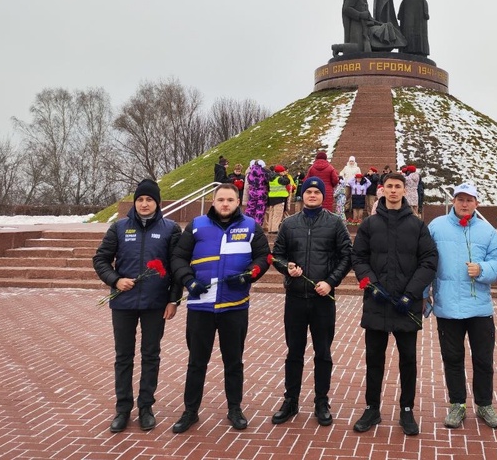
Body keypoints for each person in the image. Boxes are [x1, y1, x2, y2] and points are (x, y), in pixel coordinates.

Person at [169, 183, 271, 434]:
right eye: (220, 199)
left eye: (230, 200)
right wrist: (189, 280)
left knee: (234, 362)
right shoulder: (196, 225)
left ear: (238, 202)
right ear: (213, 201)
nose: (225, 204)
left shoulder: (250, 226)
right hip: (201, 306)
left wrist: (250, 275)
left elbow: (263, 257)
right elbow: (178, 258)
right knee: (196, 362)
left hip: (234, 307)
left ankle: (234, 408)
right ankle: (190, 411)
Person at [351, 172, 438, 436]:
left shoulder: (417, 225)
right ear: (382, 190)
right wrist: (372, 284)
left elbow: (429, 260)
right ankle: (372, 408)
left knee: (408, 360)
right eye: (389, 186)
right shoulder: (370, 224)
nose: (393, 191)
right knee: (374, 358)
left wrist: (411, 294)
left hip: (405, 304)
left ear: (404, 191)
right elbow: (359, 257)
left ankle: (407, 410)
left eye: (397, 187)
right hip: (377, 301)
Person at [92, 179, 182, 433]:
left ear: (157, 203)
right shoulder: (119, 228)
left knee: (151, 356)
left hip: (155, 304)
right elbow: (100, 259)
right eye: (140, 199)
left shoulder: (170, 229)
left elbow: (177, 268)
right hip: (123, 304)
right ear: (135, 202)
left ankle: (146, 407)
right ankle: (122, 409)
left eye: (149, 200)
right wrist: (115, 280)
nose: (144, 204)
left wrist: (173, 299)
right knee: (123, 357)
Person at [270, 177, 353, 427]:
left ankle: (321, 400)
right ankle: (291, 399)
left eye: (317, 192)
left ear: (323, 196)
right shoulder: (289, 224)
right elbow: (278, 255)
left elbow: (346, 255)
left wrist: (330, 281)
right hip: (295, 298)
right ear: (302, 196)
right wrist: (288, 268)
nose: (313, 195)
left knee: (323, 353)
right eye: (309, 192)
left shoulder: (335, 223)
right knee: (294, 351)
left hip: (322, 298)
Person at [427, 183, 497, 429]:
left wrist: (482, 270)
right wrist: (423, 293)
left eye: (469, 200)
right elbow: (425, 259)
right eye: (460, 199)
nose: (464, 204)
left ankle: (484, 404)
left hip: (479, 307)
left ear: (476, 203)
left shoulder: (488, 230)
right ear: (454, 201)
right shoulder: (436, 226)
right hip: (447, 305)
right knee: (452, 357)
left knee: (483, 359)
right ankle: (457, 404)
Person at [266, 165, 291, 234]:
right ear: (280, 172)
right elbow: (287, 181)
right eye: (283, 171)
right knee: (277, 215)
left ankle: (270, 229)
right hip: (279, 198)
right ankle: (275, 229)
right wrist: (285, 175)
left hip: (271, 198)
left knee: (271, 214)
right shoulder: (279, 179)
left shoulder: (271, 178)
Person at [243, 160, 269, 226]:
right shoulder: (264, 173)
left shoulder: (250, 173)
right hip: (261, 192)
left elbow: (249, 181)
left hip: (252, 192)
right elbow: (267, 181)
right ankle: (257, 225)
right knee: (260, 209)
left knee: (250, 208)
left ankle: (248, 224)